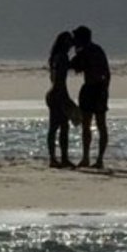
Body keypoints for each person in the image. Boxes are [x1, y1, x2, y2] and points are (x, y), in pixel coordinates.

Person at [70, 25, 111, 170]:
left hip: (94, 88)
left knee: (93, 125)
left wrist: (104, 90)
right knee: (94, 125)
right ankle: (93, 158)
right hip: (96, 88)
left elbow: (74, 66)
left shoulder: (88, 51)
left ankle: (92, 158)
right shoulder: (95, 50)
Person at [45, 31, 80, 168]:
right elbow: (60, 81)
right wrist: (65, 98)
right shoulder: (62, 57)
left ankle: (55, 158)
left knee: (55, 127)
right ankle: (59, 158)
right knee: (61, 127)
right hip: (58, 94)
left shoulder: (54, 57)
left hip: (53, 93)